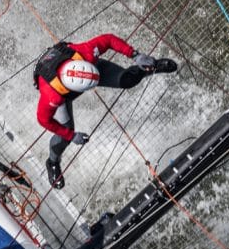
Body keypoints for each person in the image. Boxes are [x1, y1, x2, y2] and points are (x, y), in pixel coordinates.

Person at [33, 34, 177, 188]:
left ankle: (149, 66)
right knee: (65, 134)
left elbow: (108, 39)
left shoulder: (86, 54)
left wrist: (135, 54)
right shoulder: (53, 96)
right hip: (55, 81)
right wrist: (71, 135)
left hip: (80, 67)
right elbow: (43, 120)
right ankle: (52, 162)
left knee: (126, 80)